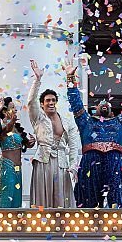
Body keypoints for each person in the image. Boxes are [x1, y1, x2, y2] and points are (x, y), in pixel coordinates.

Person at [65, 55, 122, 208]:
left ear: (112, 111)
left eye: (107, 103)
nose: (104, 104)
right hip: (90, 164)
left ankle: (118, 227)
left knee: (118, 201)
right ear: (95, 110)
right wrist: (70, 78)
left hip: (115, 163)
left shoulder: (121, 121)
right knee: (89, 201)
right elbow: (75, 103)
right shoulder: (86, 121)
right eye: (101, 103)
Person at [27, 60, 81, 207]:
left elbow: (74, 145)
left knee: (61, 200)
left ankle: (62, 227)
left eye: (53, 100)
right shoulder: (38, 117)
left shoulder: (66, 121)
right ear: (42, 104)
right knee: (42, 201)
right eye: (47, 101)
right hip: (43, 161)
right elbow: (31, 101)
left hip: (62, 163)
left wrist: (73, 166)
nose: (51, 103)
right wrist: (37, 80)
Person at [0, 97, 35, 208]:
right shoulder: (1, 126)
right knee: (6, 198)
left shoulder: (16, 128)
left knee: (16, 199)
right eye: (12, 108)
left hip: (18, 168)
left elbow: (25, 145)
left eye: (15, 108)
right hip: (7, 166)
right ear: (4, 111)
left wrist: (32, 142)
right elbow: (3, 132)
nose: (15, 110)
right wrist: (10, 121)